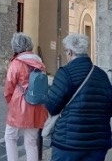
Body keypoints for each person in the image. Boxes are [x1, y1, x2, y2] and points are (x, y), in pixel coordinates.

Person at [44, 33, 112, 161]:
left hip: (68, 142)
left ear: (69, 52)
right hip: (98, 143)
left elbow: (52, 107)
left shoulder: (65, 73)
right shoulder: (101, 74)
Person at [4, 32, 48, 161]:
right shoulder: (40, 63)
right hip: (38, 104)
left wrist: (10, 102)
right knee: (31, 142)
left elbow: (8, 88)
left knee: (10, 136)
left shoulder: (16, 63)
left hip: (19, 104)